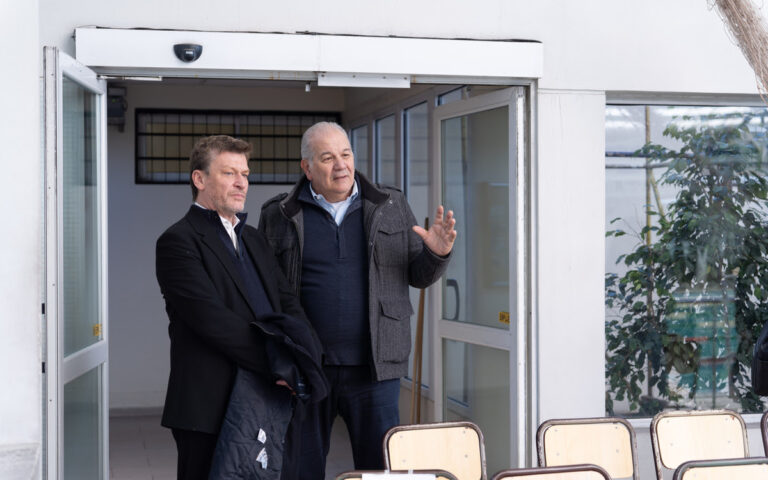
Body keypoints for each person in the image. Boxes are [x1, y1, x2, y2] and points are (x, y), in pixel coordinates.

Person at [259, 121, 457, 478]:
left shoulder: (391, 204)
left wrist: (436, 254)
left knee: (379, 470)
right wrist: (276, 359)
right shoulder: (279, 213)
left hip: (375, 371)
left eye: (346, 154)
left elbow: (418, 275)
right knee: (298, 469)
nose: (341, 165)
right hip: (306, 368)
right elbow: (265, 294)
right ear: (307, 167)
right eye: (327, 158)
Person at [155, 135, 327, 480]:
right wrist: (280, 365)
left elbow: (287, 303)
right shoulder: (177, 241)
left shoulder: (253, 239)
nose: (241, 183)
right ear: (199, 179)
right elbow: (213, 321)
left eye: (245, 174)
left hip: (268, 399)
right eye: (229, 173)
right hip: (209, 406)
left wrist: (305, 356)